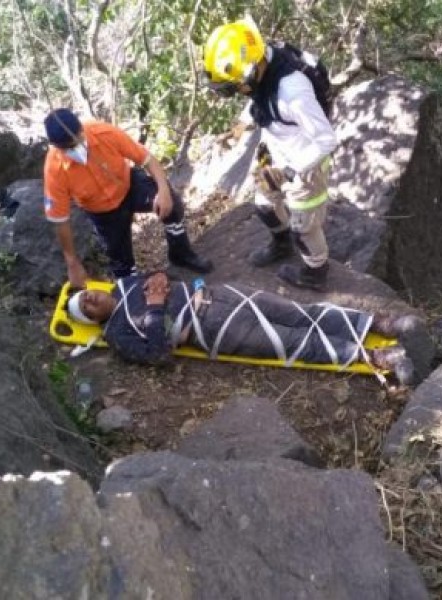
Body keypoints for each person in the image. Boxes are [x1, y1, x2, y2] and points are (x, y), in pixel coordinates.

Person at [66, 272, 418, 385]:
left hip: (219, 295)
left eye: (86, 295)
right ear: (91, 320)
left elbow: (165, 276)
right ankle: (378, 356)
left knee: (299, 312)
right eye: (85, 307)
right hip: (213, 329)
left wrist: (159, 278)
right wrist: (156, 307)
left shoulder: (126, 284)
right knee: (292, 340)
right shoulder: (116, 335)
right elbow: (158, 356)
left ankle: (378, 323)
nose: (90, 299)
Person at [202, 19, 337, 291]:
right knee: (264, 205)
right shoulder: (262, 61)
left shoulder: (293, 91)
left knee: (304, 225)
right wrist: (242, 124)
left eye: (235, 86)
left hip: (305, 163)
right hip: (278, 151)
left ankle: (316, 272)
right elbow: (259, 98)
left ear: (251, 71)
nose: (238, 92)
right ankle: (281, 243)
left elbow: (326, 139)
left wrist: (290, 172)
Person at [43, 108, 213, 289]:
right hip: (102, 213)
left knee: (172, 205)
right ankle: (132, 292)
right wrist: (72, 262)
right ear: (57, 147)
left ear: (81, 129)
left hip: (129, 185)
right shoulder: (54, 170)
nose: (77, 147)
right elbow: (60, 220)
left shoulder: (103, 132)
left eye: (79, 139)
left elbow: (146, 159)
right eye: (69, 147)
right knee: (122, 265)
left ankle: (181, 254)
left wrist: (163, 191)